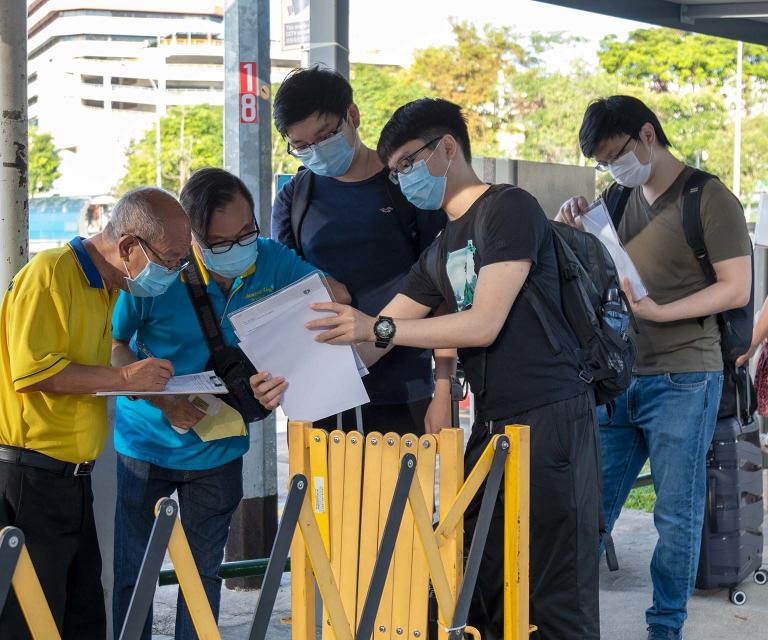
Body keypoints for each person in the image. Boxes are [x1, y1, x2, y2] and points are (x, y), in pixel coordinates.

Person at [255, 98, 603, 640]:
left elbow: (480, 323)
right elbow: (369, 342)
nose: (400, 180)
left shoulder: (508, 209)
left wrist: (379, 329)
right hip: (495, 422)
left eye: (407, 166)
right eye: (393, 171)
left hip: (552, 418)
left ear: (447, 149)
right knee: (484, 584)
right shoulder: (443, 245)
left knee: (551, 591)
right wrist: (290, 381)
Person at [111, 168, 347, 639]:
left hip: (219, 451)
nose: (239, 247)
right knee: (132, 575)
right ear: (189, 237)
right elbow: (114, 345)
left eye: (247, 233)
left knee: (202, 575)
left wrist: (278, 356)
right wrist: (161, 401)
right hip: (145, 445)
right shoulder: (157, 276)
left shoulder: (269, 259)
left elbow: (335, 298)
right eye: (221, 242)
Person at [558, 96, 752, 640]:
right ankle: (564, 619)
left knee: (675, 513)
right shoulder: (616, 199)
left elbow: (735, 287)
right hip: (619, 378)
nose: (612, 168)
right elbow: (592, 275)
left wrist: (662, 312)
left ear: (647, 135)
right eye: (602, 162)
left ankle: (665, 628)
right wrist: (570, 225)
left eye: (616, 154)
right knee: (587, 506)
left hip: (686, 377)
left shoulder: (708, 197)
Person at [0, 188, 191, 639]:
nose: (172, 273)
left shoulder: (105, 288)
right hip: (27, 475)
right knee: (27, 622)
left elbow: (96, 367)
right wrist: (127, 380)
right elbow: (33, 373)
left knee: (83, 616)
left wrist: (155, 391)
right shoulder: (52, 272)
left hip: (71, 478)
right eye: (170, 261)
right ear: (130, 246)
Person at [272, 66, 453, 435]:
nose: (315, 152)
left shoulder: (407, 188)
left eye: (324, 137)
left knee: (398, 494)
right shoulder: (295, 197)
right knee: (319, 495)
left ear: (352, 116)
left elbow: (441, 293)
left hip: (401, 390)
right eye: (302, 146)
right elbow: (284, 292)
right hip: (319, 390)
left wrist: (445, 388)